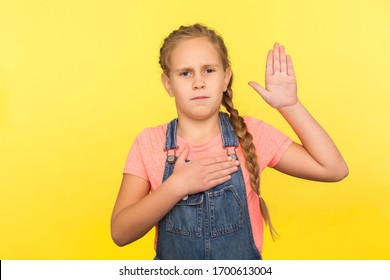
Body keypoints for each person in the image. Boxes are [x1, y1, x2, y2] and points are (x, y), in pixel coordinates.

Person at [110, 23, 348, 260]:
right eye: (185, 73)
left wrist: (290, 106)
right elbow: (120, 233)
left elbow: (333, 169)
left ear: (226, 78)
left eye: (209, 70)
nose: (198, 82)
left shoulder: (252, 133)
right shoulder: (148, 143)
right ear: (168, 83)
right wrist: (175, 187)